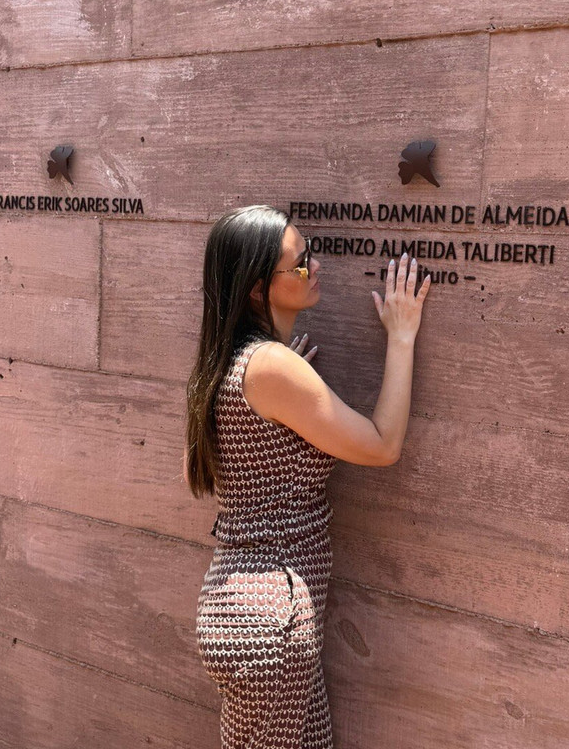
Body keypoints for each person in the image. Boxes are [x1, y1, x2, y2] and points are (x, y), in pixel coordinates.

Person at [183, 204, 430, 748]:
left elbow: (223, 466)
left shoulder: (229, 362)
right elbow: (383, 445)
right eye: (300, 264)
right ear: (255, 288)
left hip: (248, 610)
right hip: (274, 619)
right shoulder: (270, 366)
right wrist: (402, 335)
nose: (315, 267)